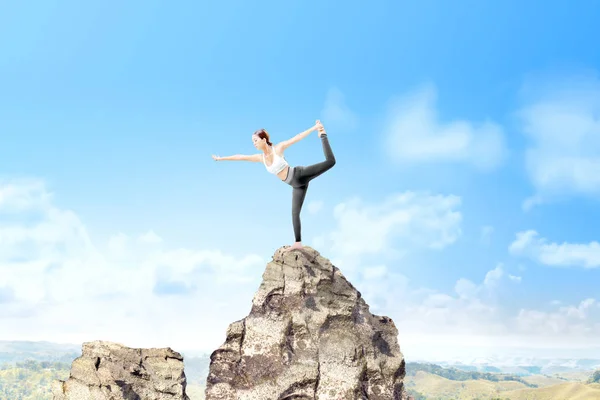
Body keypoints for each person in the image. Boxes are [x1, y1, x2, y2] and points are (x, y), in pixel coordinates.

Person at [212, 120, 336, 251]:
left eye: (255, 140)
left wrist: (315, 128)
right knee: (294, 213)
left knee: (330, 162)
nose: (253, 143)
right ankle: (298, 243)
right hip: (296, 186)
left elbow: (297, 137)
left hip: (299, 175)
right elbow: (241, 157)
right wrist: (221, 159)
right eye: (252, 141)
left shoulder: (278, 149)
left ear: (263, 140)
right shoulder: (261, 158)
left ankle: (323, 135)